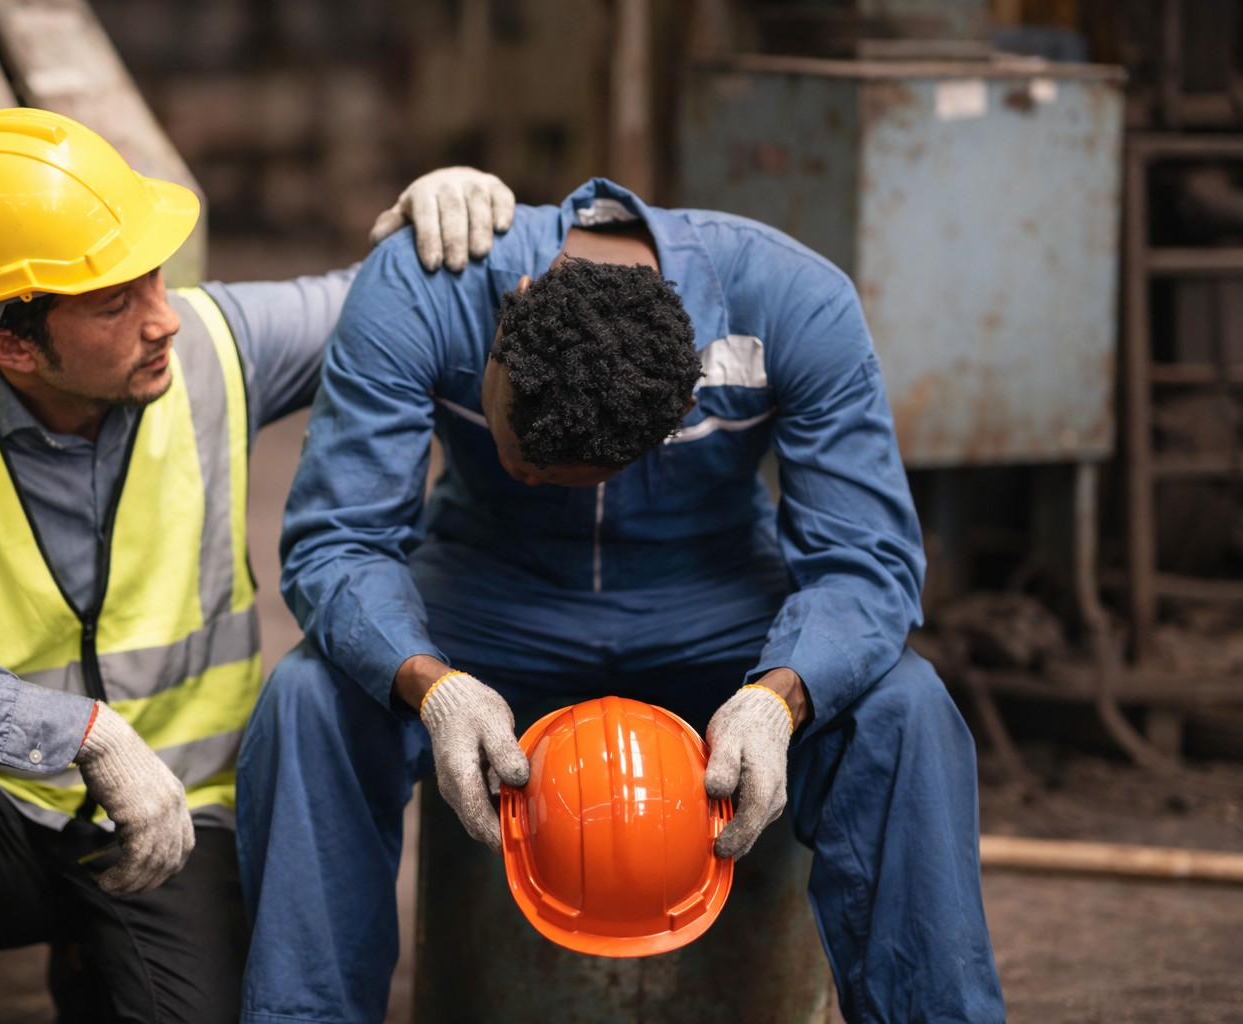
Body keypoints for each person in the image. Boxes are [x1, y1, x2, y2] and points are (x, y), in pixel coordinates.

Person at [0, 105, 513, 1024]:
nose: (164, 318)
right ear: (10, 345)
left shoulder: (215, 345)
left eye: (153, 274)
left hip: (177, 823)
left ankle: (96, 961)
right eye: (115, 301)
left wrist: (444, 217)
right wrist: (79, 731)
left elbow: (393, 301)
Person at [238, 178, 1005, 1024]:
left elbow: (867, 560)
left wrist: (780, 698)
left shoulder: (796, 300)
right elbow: (340, 539)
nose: (524, 475)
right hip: (486, 600)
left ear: (680, 415)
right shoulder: (427, 284)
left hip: (713, 608)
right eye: (514, 449)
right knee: (310, 697)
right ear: (510, 315)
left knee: (903, 707)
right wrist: (432, 686)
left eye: (557, 474)